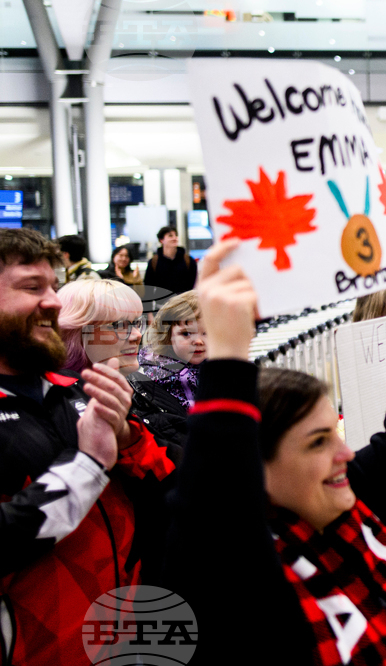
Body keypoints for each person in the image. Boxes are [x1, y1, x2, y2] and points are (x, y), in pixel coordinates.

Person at [163, 239, 386, 666]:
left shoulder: (338, 504)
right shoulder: (239, 574)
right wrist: (227, 357)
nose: (344, 453)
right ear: (255, 466)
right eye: (317, 442)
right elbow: (209, 519)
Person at [0, 229, 175, 665]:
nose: (53, 301)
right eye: (31, 287)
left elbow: (167, 489)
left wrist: (129, 440)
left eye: (53, 287)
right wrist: (88, 464)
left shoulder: (74, 391)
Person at [58, 279, 191, 447]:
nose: (137, 335)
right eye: (119, 325)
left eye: (136, 323)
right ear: (77, 333)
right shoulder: (57, 405)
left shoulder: (142, 384)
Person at [139, 291, 206, 411]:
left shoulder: (221, 370)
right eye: (186, 333)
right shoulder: (155, 373)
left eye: (206, 333)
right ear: (168, 336)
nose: (198, 341)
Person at [143, 226, 198, 302]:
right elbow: (148, 288)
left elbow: (193, 286)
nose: (174, 238)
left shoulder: (189, 260)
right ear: (161, 240)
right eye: (170, 236)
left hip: (184, 306)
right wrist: (149, 312)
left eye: (176, 235)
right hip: (161, 307)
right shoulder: (154, 262)